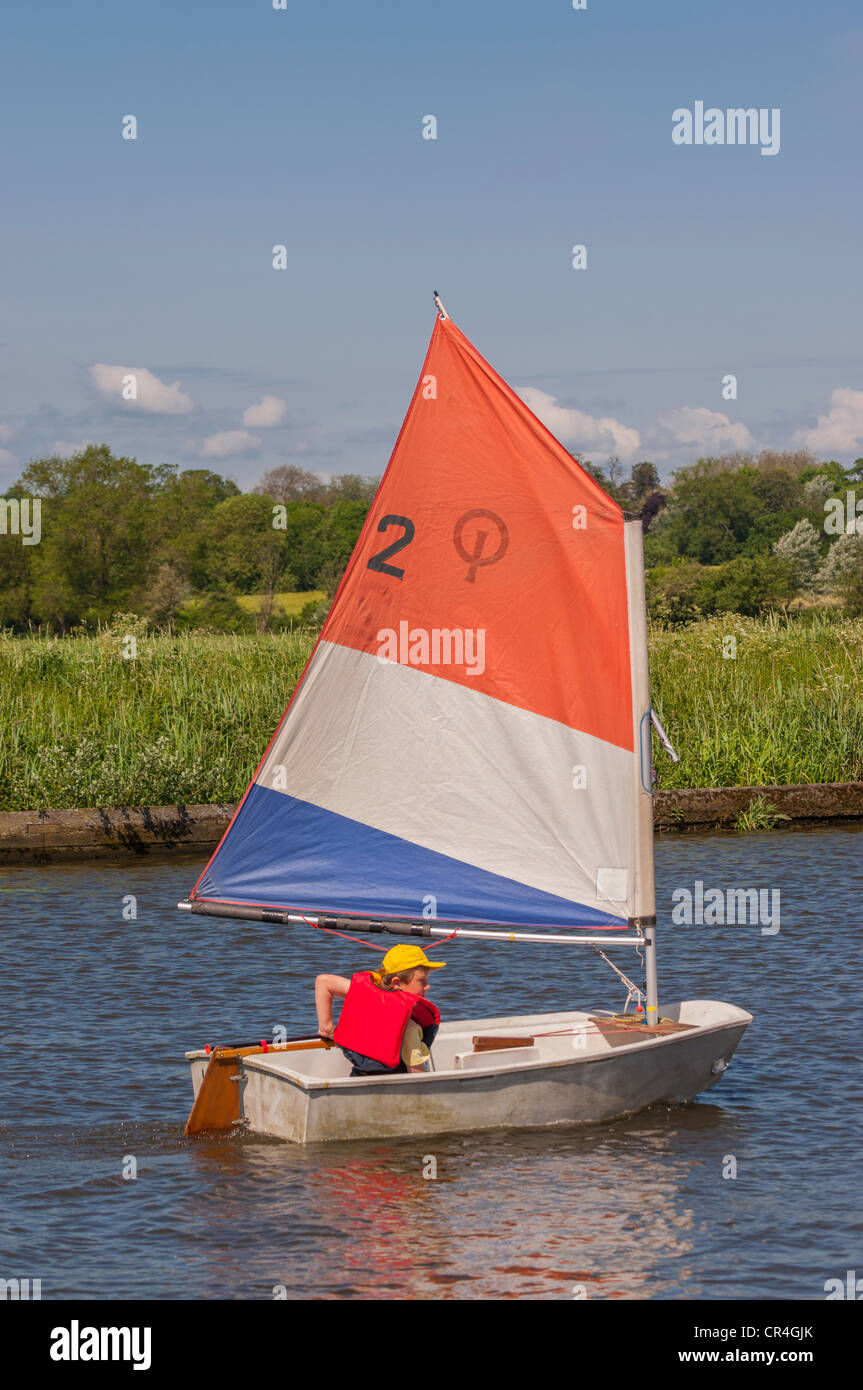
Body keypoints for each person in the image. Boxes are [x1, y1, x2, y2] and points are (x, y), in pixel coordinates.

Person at [315, 944, 444, 1076]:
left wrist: (327, 1029)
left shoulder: (364, 995)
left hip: (358, 1077)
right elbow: (418, 1077)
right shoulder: (410, 1028)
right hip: (393, 1090)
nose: (427, 986)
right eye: (422, 981)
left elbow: (323, 982)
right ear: (397, 983)